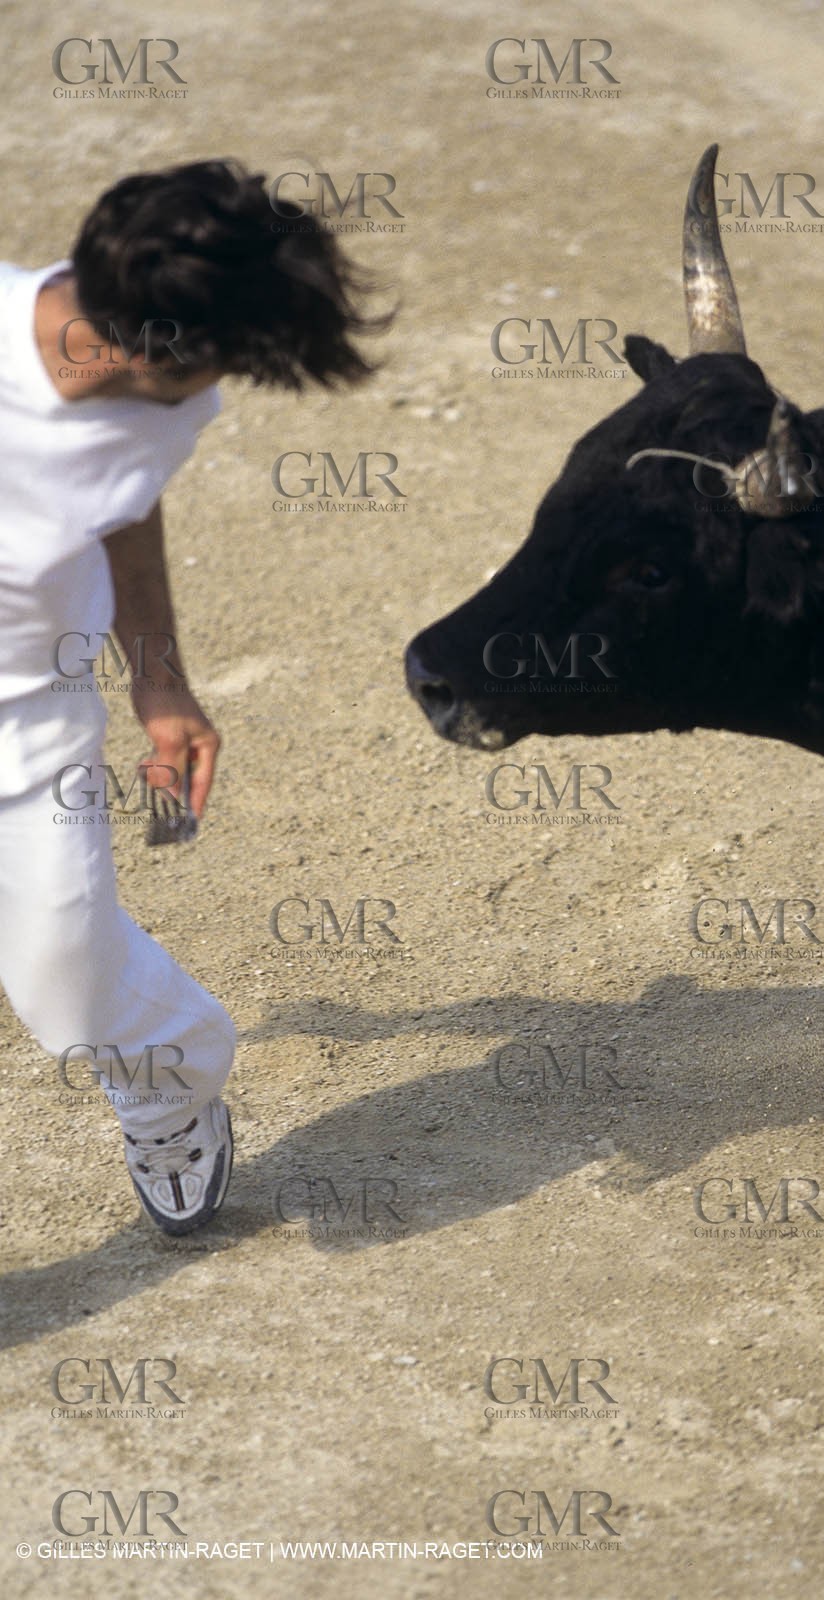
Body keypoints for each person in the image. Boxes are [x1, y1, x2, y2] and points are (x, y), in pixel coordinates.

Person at [0, 158, 383, 1234]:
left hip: (29, 708)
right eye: (223, 360)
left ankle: (169, 1086)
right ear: (146, 344)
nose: (222, 387)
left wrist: (160, 680)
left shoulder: (168, 399)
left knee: (65, 975)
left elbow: (125, 497)